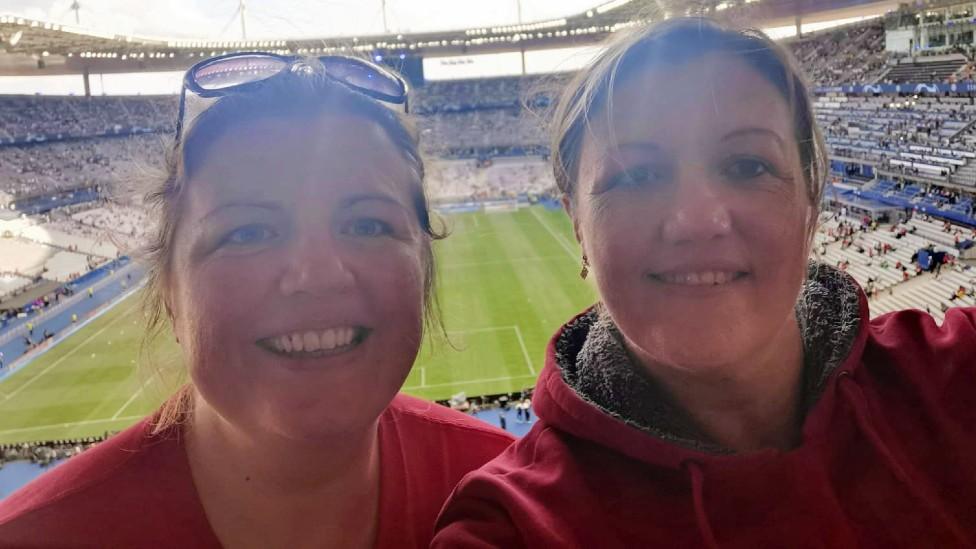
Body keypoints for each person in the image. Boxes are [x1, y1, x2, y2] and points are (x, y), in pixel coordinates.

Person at [434, 18, 976, 547]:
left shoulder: (955, 380)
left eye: (747, 166)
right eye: (637, 174)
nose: (696, 219)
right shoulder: (511, 528)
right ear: (576, 221)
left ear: (811, 197)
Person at [0, 53, 514, 547]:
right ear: (169, 292)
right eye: (247, 232)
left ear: (424, 267)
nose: (317, 275)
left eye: (367, 224)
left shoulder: (519, 505)